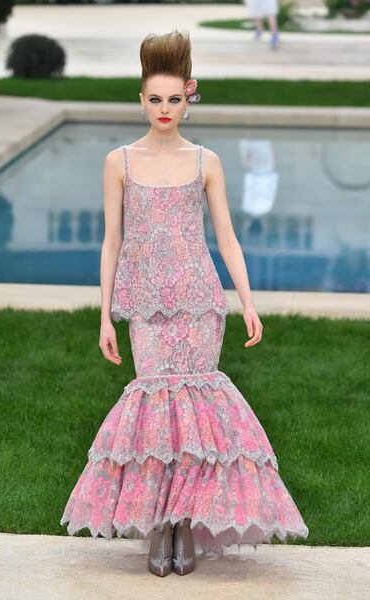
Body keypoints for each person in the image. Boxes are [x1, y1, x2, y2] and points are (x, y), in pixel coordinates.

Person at [59, 29, 309, 577]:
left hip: (200, 303)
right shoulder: (118, 161)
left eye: (175, 98)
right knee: (154, 413)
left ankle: (185, 523)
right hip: (145, 306)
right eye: (155, 99)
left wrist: (247, 302)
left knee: (195, 414)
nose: (165, 108)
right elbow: (112, 241)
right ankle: (159, 525)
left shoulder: (207, 162)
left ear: (187, 98)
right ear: (141, 99)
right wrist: (105, 314)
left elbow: (228, 239)